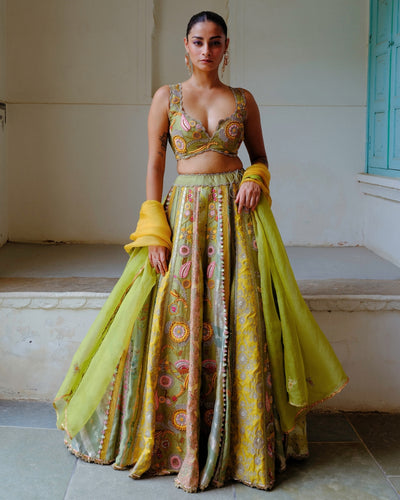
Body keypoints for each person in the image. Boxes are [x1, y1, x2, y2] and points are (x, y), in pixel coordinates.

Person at [54, 11, 348, 493]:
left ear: (226, 46)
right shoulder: (167, 98)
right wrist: (155, 232)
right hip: (186, 216)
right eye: (198, 41)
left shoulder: (244, 100)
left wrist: (255, 178)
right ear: (185, 47)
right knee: (177, 314)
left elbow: (260, 157)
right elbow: (155, 162)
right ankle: (176, 436)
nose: (206, 50)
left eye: (215, 42)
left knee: (241, 316)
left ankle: (242, 443)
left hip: (236, 218)